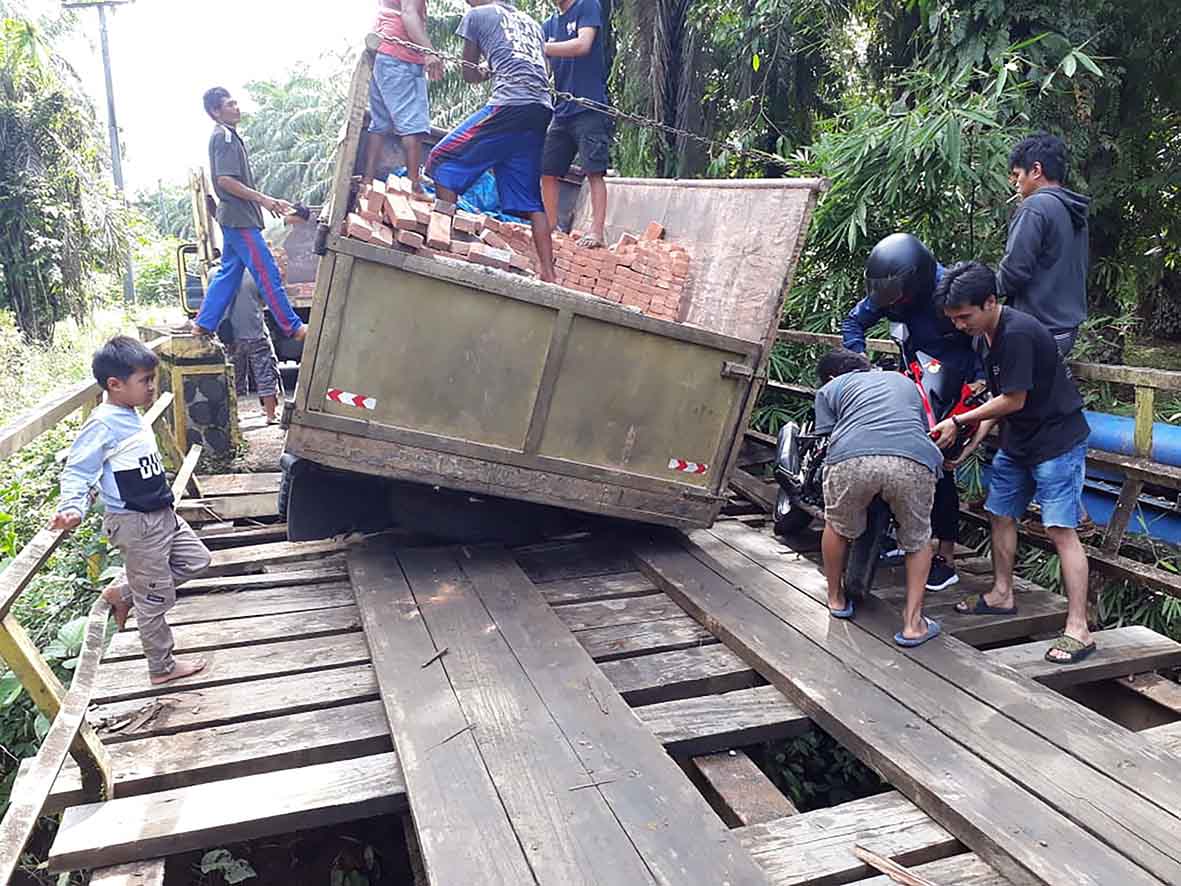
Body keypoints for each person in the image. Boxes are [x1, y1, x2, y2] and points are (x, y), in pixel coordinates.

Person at [931, 261, 1094, 665]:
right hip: (1019, 440)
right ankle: (1001, 594)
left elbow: (1012, 400)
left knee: (1060, 530)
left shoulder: (1018, 333)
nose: (959, 325)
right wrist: (970, 445)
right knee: (1000, 513)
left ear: (990, 301)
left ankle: (1079, 628)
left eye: (965, 316)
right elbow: (998, 401)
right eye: (953, 318)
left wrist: (956, 421)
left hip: (1056, 440)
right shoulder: (984, 335)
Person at [49, 338, 210, 684]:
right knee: (154, 599)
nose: (153, 387)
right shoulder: (103, 422)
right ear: (115, 385)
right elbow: (79, 469)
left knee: (198, 561)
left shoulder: (129, 413)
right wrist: (71, 509)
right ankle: (162, 668)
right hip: (136, 523)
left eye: (153, 379)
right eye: (145, 381)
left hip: (162, 514)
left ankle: (123, 594)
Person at [843, 233, 979, 592]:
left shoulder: (950, 290)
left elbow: (982, 334)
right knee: (890, 449)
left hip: (954, 386)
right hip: (911, 379)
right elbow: (854, 323)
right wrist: (861, 368)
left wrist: (980, 382)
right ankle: (888, 534)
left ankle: (944, 557)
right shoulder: (888, 293)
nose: (894, 304)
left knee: (940, 465)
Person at [814, 347, 943, 647]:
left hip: (852, 458)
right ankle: (913, 624)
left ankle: (835, 598)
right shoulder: (905, 381)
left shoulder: (831, 388)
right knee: (918, 540)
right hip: (912, 458)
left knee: (836, 526)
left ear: (832, 376)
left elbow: (828, 435)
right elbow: (926, 425)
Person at [425, 0, 557, 282]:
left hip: (509, 104)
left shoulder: (477, 15)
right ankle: (549, 273)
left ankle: (440, 242)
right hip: (540, 108)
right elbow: (544, 68)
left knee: (441, 159)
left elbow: (468, 73)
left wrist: (486, 70)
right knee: (531, 199)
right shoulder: (532, 23)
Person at [191, 88, 307, 341]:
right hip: (240, 219)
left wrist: (269, 201)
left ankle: (203, 324)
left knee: (228, 274)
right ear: (215, 111)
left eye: (235, 103)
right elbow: (225, 180)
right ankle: (293, 327)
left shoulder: (229, 136)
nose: (236, 108)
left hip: (237, 218)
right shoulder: (224, 138)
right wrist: (263, 199)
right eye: (229, 104)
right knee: (267, 271)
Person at [996, 132, 1091, 359]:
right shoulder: (1071, 209)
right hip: (1065, 330)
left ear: (1036, 171)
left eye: (1017, 174)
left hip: (1036, 328)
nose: (1015, 183)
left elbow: (1014, 272)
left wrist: (976, 290)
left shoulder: (1035, 207)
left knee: (1011, 394)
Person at [540, 0, 611, 248]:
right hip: (561, 111)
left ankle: (597, 233)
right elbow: (543, 67)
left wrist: (543, 47)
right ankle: (549, 227)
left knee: (594, 171)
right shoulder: (548, 25)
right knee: (547, 171)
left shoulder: (587, 6)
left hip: (589, 106)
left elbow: (583, 44)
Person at [364, 0, 445, 192]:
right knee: (413, 126)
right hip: (402, 55)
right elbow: (409, 13)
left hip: (383, 53)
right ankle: (413, 187)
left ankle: (367, 180)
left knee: (380, 122)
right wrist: (429, 52)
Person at [226, 276, 284, 424]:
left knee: (233, 375)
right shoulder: (255, 273)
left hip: (231, 336)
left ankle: (234, 415)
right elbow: (266, 301)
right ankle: (270, 415)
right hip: (256, 332)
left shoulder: (216, 273)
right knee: (265, 373)